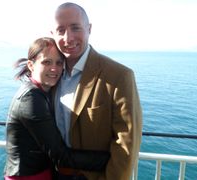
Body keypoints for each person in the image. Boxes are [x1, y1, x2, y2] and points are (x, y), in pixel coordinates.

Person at [51, 2, 143, 180]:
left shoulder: (119, 76)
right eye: (60, 30)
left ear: (89, 29)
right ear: (52, 34)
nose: (68, 38)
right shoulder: (52, 75)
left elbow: (126, 145)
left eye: (75, 28)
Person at [4, 37, 110, 180]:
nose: (54, 69)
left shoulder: (40, 92)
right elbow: (60, 156)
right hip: (29, 176)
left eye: (59, 63)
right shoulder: (31, 99)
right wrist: (111, 159)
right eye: (46, 62)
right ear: (31, 65)